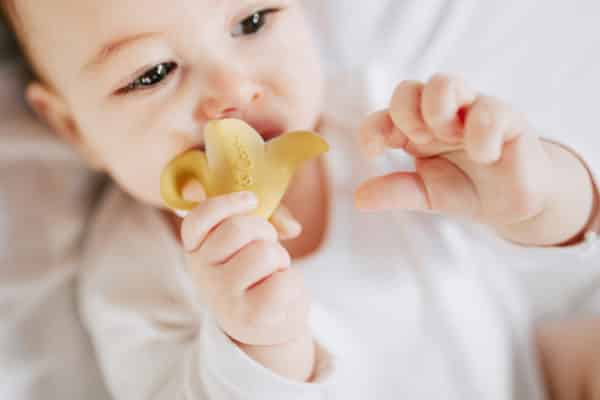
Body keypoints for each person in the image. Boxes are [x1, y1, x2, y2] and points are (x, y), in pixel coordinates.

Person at [1, 0, 599, 399]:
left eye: (253, 22)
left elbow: (571, 244)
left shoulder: (385, 121)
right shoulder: (134, 271)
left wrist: (535, 190)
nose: (234, 89)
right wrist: (257, 345)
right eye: (152, 73)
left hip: (532, 374)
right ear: (74, 130)